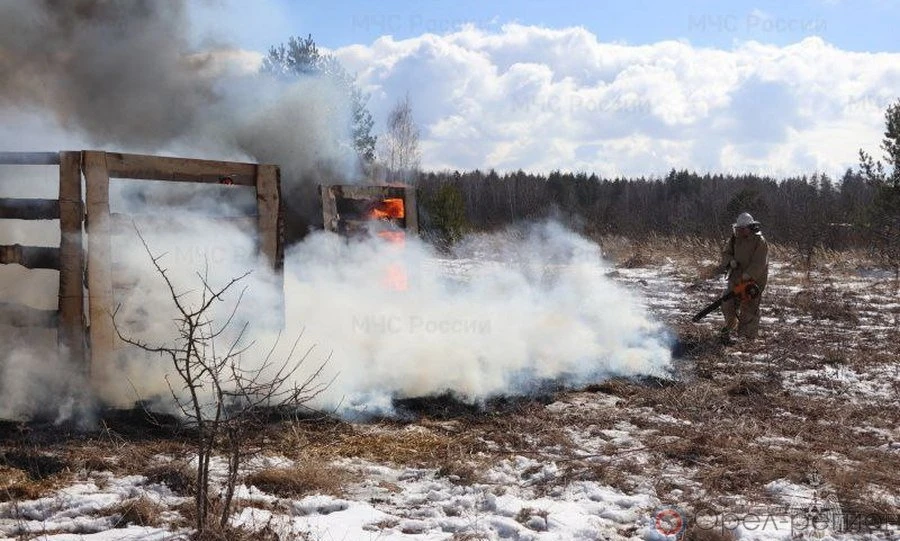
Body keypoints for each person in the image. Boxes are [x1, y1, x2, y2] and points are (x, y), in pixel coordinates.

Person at [718, 212, 769, 340]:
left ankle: (747, 338)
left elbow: (760, 262)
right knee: (727, 303)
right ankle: (730, 328)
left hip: (753, 282)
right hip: (735, 279)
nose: (739, 231)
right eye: (738, 229)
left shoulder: (760, 242)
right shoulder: (734, 239)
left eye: (742, 229)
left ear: (750, 228)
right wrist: (730, 261)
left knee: (749, 309)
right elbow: (726, 253)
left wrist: (748, 275)